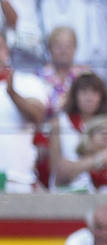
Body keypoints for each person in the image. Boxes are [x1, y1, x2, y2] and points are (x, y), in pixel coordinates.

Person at [0, 31, 47, 191]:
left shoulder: (28, 82)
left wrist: (12, 94)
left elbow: (38, 116)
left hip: (17, 181)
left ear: (7, 50)